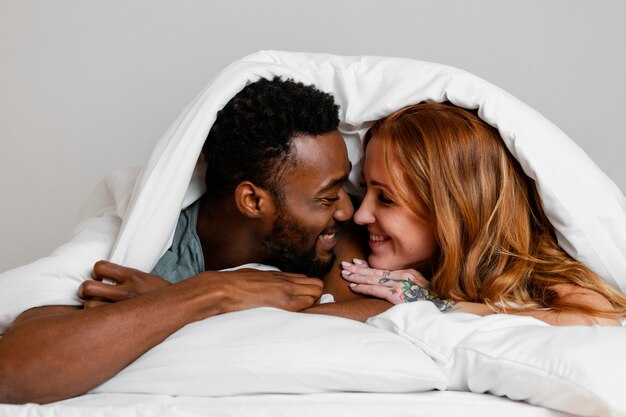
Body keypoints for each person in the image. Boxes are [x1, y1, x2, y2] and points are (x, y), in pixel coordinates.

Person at [0, 77, 385, 405]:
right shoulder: (142, 240)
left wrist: (191, 306)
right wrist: (207, 294)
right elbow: (14, 372)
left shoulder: (333, 236)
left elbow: (385, 313)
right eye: (326, 197)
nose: (348, 211)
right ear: (252, 200)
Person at [341, 102, 626, 326]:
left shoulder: (531, 270)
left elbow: (598, 320)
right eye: (365, 188)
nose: (360, 215)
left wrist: (438, 304)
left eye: (387, 199)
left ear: (455, 210)